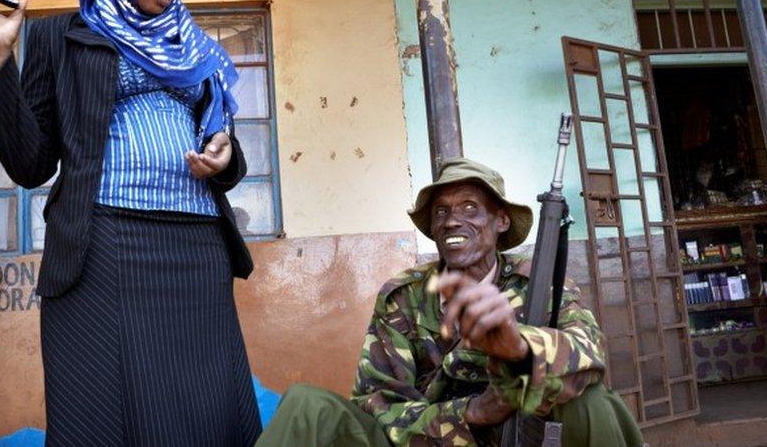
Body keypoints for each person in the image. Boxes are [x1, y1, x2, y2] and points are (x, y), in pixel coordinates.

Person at [0, 0, 261, 445]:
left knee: (205, 406)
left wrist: (225, 155)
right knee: (102, 410)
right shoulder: (59, 37)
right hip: (105, 244)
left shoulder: (193, 45)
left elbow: (230, 154)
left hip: (198, 247)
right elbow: (31, 163)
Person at [257, 158, 643, 446]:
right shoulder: (403, 296)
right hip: (432, 439)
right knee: (306, 404)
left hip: (516, 436)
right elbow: (377, 404)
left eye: (470, 208)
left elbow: (591, 355)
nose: (452, 221)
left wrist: (520, 349)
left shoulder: (537, 284)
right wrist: (470, 413)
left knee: (592, 402)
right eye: (442, 211)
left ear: (501, 221)